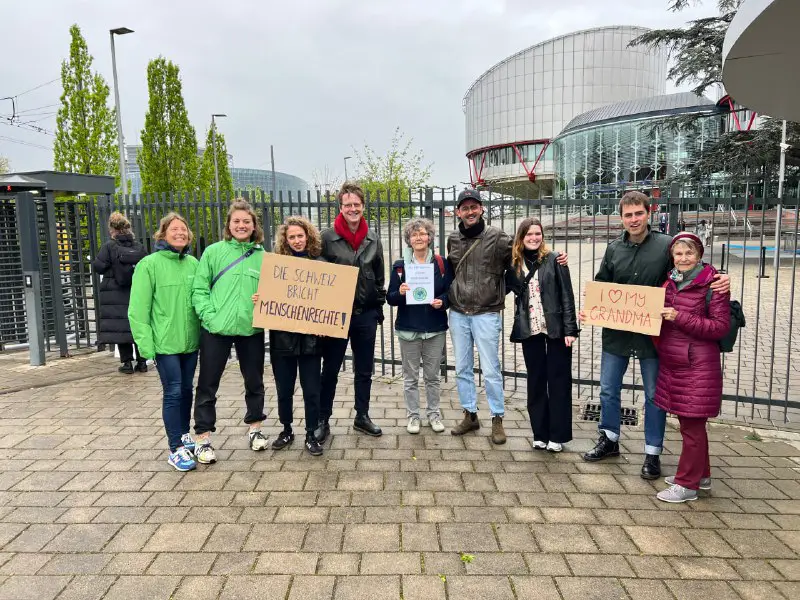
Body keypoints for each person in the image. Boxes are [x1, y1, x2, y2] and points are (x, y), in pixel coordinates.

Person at [580, 191, 729, 480]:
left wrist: (720, 277)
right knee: (608, 390)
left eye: (638, 213)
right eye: (628, 215)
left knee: (653, 396)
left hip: (654, 335)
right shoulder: (613, 249)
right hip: (618, 332)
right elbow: (602, 284)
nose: (633, 219)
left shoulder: (665, 246)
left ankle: (652, 452)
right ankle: (609, 439)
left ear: (648, 214)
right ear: (621, 217)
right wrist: (592, 308)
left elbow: (691, 269)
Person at [447, 188, 568, 445]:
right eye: (465, 208)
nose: (470, 212)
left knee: (491, 369)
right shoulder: (453, 239)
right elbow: (450, 270)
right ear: (459, 212)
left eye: (474, 207)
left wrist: (554, 257)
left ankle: (497, 418)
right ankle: (470, 414)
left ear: (481, 209)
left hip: (487, 312)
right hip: (458, 311)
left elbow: (525, 251)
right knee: (462, 369)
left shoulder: (498, 237)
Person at [192, 200, 268, 464]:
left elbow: (273, 294)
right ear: (229, 224)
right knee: (207, 383)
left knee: (255, 381)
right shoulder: (213, 253)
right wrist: (209, 317)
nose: (241, 225)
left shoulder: (263, 257)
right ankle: (202, 437)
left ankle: (255, 428)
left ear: (254, 226)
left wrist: (266, 300)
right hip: (217, 329)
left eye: (247, 221)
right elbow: (199, 290)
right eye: (236, 221)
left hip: (251, 329)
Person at [655, 233, 729, 502]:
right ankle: (702, 475)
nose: (683, 258)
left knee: (692, 426)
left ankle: (687, 485)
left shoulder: (714, 285)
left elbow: (720, 327)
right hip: (676, 362)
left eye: (689, 253)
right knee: (690, 423)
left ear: (698, 255)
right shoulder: (670, 282)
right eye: (678, 254)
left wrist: (679, 317)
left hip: (698, 364)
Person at [128, 212, 201, 471]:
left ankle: (183, 434)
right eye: (174, 229)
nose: (180, 233)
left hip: (190, 342)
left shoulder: (193, 263)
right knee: (172, 391)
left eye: (184, 229)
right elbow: (138, 310)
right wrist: (147, 347)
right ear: (163, 234)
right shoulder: (149, 265)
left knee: (186, 390)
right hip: (165, 343)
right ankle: (175, 449)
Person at [315, 183, 386, 442]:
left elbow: (379, 276)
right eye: (348, 205)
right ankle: (323, 419)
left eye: (357, 204)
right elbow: (316, 275)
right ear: (340, 207)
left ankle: (362, 415)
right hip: (336, 316)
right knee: (330, 369)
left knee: (364, 369)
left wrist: (378, 307)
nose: (352, 209)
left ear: (363, 206)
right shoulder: (326, 237)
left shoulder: (373, 238)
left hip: (365, 314)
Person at [505, 217, 578, 452]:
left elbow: (567, 294)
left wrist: (570, 329)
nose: (534, 238)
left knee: (558, 381)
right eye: (529, 235)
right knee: (536, 381)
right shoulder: (514, 264)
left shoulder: (555, 259)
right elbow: (503, 285)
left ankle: (557, 435)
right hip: (531, 329)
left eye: (537, 234)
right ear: (521, 237)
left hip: (555, 328)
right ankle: (540, 433)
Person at [263, 216, 325, 456]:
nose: (297, 240)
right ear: (285, 240)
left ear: (307, 236)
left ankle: (311, 433)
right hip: (283, 340)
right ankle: (286, 429)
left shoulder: (320, 264)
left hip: (311, 341)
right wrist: (262, 300)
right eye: (292, 237)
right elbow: (267, 297)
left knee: (312, 390)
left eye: (301, 236)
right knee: (284, 389)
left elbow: (328, 302)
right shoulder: (276, 267)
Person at [386, 217, 452, 434]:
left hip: (434, 329)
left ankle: (434, 415)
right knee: (410, 377)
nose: (418, 238)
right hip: (408, 329)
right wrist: (401, 292)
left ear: (429, 237)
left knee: (432, 377)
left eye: (422, 233)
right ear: (409, 239)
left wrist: (443, 301)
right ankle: (413, 416)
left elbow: (450, 292)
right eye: (414, 235)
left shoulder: (441, 264)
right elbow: (391, 298)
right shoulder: (400, 266)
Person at [93, 212, 147, 374]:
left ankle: (127, 363)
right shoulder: (138, 246)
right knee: (137, 326)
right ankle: (142, 362)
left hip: (115, 293)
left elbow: (99, 266)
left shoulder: (109, 246)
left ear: (112, 230)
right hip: (136, 291)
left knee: (121, 327)